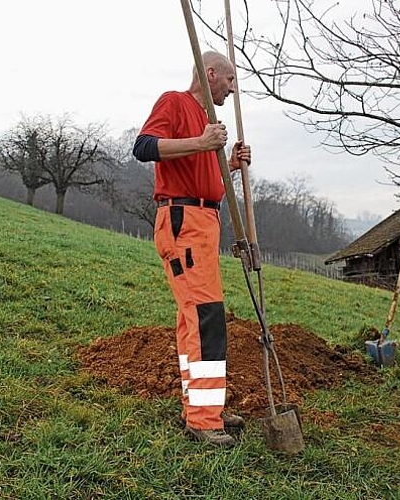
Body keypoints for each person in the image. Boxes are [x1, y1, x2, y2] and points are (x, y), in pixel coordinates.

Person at [132, 51, 251, 448]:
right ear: (210, 73)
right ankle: (203, 421)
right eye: (230, 80)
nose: (232, 89)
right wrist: (201, 141)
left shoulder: (211, 122)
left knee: (193, 321)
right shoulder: (175, 102)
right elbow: (144, 147)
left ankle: (201, 406)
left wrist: (230, 165)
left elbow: (202, 174)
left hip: (205, 221)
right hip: (182, 219)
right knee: (206, 317)